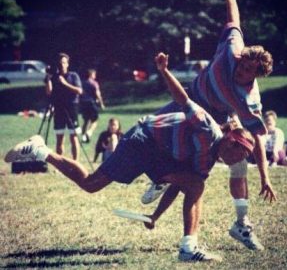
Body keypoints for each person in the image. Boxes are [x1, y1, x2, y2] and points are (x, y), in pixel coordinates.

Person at [5, 52, 257, 263]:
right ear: (230, 140)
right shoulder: (207, 127)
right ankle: (41, 150)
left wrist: (155, 216)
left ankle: (188, 247)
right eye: (239, 154)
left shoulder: (208, 160)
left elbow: (184, 186)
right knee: (91, 185)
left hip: (159, 154)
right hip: (141, 140)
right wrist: (164, 70)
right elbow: (183, 98)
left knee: (195, 182)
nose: (237, 161)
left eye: (243, 157)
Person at [142, 0, 277, 251]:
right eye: (242, 62)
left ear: (256, 75)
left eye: (247, 69)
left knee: (237, 159)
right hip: (189, 100)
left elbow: (258, 138)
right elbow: (234, 21)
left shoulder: (249, 99)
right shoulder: (232, 49)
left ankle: (241, 224)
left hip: (220, 117)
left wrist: (265, 176)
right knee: (153, 132)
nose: (240, 67)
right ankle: (160, 176)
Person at [45, 52, 82, 161]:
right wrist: (48, 78)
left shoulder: (73, 75)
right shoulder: (54, 77)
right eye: (60, 63)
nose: (62, 65)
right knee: (59, 138)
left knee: (73, 137)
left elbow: (79, 91)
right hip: (59, 108)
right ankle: (60, 164)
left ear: (67, 64)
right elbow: (49, 92)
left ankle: (76, 162)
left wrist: (65, 83)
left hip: (71, 108)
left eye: (64, 62)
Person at [81, 69, 105, 143]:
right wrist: (101, 104)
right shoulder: (94, 83)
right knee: (95, 120)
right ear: (91, 75)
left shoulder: (83, 83)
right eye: (94, 74)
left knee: (85, 121)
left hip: (83, 103)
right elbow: (98, 94)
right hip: (92, 103)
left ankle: (83, 137)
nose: (95, 76)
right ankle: (89, 132)